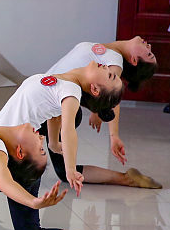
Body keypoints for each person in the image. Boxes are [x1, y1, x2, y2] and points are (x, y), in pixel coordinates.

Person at [0, 63, 133, 230]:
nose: (106, 66)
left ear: (95, 89)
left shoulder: (71, 91)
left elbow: (68, 129)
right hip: (14, 153)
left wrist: (70, 168)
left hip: (17, 157)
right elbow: (53, 113)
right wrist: (53, 143)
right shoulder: (64, 82)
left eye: (109, 75)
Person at [43, 38, 161, 189]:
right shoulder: (110, 52)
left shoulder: (115, 62)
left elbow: (112, 97)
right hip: (55, 103)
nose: (149, 45)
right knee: (62, 169)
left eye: (149, 54)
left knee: (14, 139)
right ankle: (125, 178)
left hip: (54, 107)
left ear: (133, 60)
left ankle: (126, 179)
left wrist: (113, 134)